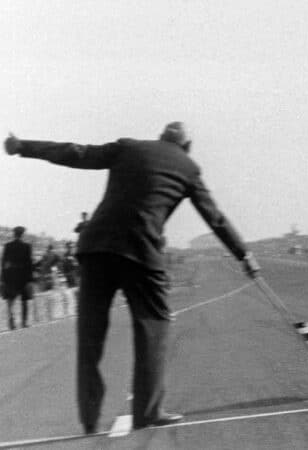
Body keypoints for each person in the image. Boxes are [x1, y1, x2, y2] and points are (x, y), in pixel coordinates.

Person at [4, 122, 261, 433]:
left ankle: (89, 419)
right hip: (141, 251)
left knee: (90, 337)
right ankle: (148, 411)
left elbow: (75, 153)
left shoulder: (128, 147)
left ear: (160, 138)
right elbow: (215, 218)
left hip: (96, 249)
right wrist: (243, 255)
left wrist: (22, 146)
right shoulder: (189, 167)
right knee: (154, 326)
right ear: (187, 145)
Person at [1, 226, 34, 329]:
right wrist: (30, 279)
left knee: (10, 300)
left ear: (14, 234)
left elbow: (3, 263)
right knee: (24, 300)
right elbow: (29, 264)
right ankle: (24, 322)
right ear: (22, 234)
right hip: (23, 276)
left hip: (11, 275)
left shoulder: (8, 246)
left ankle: (12, 321)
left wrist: (3, 278)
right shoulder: (27, 246)